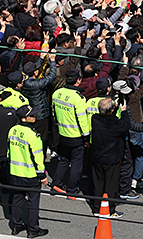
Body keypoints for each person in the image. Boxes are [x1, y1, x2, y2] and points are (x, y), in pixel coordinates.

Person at [8, 105, 48, 238]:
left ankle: (16, 225)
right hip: (31, 175)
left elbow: (9, 152)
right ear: (24, 119)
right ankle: (33, 229)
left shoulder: (12, 130)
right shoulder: (33, 135)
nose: (35, 117)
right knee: (33, 202)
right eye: (32, 115)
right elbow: (38, 157)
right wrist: (42, 175)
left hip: (15, 172)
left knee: (17, 199)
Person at [50, 68, 90, 196]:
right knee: (76, 165)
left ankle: (56, 184)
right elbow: (82, 120)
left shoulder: (57, 93)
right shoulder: (79, 98)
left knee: (63, 160)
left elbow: (54, 114)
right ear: (78, 81)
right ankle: (72, 190)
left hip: (62, 133)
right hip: (76, 136)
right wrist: (86, 137)